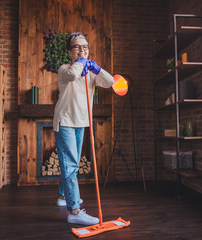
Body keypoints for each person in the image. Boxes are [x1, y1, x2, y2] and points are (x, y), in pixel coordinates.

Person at [53, 32, 114, 225]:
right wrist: (82, 62)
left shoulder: (90, 73)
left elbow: (111, 82)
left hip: (81, 122)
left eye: (85, 47)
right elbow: (72, 75)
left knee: (71, 163)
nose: (82, 50)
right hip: (65, 121)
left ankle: (63, 197)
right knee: (71, 165)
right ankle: (74, 211)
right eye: (78, 47)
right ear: (70, 52)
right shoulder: (64, 69)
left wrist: (96, 67)